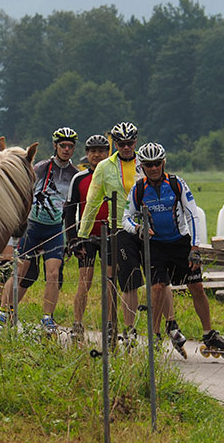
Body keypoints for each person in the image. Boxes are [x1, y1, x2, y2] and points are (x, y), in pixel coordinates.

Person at [123, 142, 224, 358]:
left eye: (157, 164)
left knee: (197, 287)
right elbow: (125, 218)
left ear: (163, 163)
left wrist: (195, 247)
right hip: (155, 246)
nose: (154, 168)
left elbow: (192, 214)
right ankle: (154, 335)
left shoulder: (176, 184)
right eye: (148, 165)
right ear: (142, 167)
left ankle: (208, 333)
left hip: (180, 242)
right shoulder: (138, 189)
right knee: (157, 288)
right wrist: (137, 228)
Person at [0, 127, 79, 334]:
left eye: (70, 146)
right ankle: (3, 311)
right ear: (55, 146)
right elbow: (22, 192)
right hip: (32, 228)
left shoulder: (74, 174)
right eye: (63, 146)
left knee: (53, 273)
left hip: (54, 230)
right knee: (21, 270)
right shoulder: (41, 168)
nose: (67, 149)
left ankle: (47, 317)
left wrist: (72, 237)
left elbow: (74, 207)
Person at [77, 121, 142, 343]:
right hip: (117, 230)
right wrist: (81, 236)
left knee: (158, 281)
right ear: (115, 143)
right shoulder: (105, 167)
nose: (126, 147)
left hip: (145, 228)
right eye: (121, 143)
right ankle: (116, 327)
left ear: (136, 142)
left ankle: (166, 327)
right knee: (120, 280)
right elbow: (92, 201)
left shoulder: (145, 163)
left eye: (130, 143)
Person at [64, 134, 111, 341]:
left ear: (107, 153)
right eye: (93, 151)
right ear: (87, 154)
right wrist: (72, 239)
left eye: (101, 151)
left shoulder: (113, 175)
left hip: (111, 234)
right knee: (85, 281)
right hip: (86, 235)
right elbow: (69, 210)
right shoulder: (79, 178)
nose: (97, 155)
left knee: (110, 282)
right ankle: (77, 324)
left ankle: (110, 325)